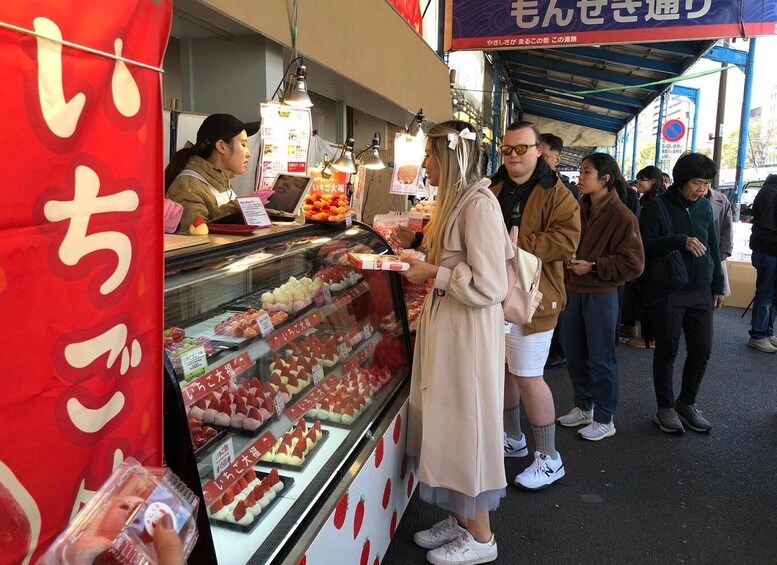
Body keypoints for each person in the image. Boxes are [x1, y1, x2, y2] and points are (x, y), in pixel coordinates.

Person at [403, 120, 512, 564]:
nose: (424, 163)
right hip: (452, 326)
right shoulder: (458, 203)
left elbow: (492, 285)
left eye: (429, 154)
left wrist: (432, 273)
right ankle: (463, 515)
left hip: (468, 332)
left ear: (446, 158)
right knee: (450, 418)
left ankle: (483, 538)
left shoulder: (478, 206)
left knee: (468, 423)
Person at [489, 121, 581, 490]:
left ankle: (549, 458)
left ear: (538, 150)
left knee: (528, 376)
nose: (513, 156)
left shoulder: (558, 194)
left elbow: (565, 242)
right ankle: (514, 438)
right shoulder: (493, 187)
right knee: (506, 373)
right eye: (507, 149)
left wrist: (511, 244)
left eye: (521, 149)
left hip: (537, 299)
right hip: (496, 296)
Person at [557, 153, 644, 441]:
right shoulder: (578, 208)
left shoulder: (622, 216)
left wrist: (594, 266)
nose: (580, 178)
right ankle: (584, 407)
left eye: (586, 172)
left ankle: (606, 418)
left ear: (605, 179)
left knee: (601, 356)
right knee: (574, 352)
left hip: (602, 293)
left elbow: (634, 264)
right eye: (580, 172)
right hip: (573, 289)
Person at [639, 153, 725, 434]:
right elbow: (646, 246)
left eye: (707, 183)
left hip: (700, 290)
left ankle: (686, 403)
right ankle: (664, 408)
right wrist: (680, 241)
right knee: (668, 350)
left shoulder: (705, 208)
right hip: (670, 289)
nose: (702, 189)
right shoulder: (655, 207)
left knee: (702, 350)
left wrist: (717, 284)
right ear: (681, 180)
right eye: (698, 183)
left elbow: (713, 246)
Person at [166, 113, 259, 232]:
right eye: (243, 145)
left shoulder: (222, 180)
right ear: (221, 146)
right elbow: (196, 237)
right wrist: (239, 206)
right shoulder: (188, 186)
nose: (248, 153)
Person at [539, 133, 578, 370]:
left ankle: (557, 350)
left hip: (553, 265)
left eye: (543, 155)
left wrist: (515, 244)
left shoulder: (562, 191)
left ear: (557, 158)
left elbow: (564, 239)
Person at [624, 165, 666, 348]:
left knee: (648, 297)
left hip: (651, 256)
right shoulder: (647, 200)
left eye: (643, 179)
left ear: (653, 182)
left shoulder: (654, 203)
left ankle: (649, 338)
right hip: (648, 254)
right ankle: (643, 333)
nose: (639, 182)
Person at [747, 173, 777, 352]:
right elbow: (765, 226)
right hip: (768, 250)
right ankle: (758, 334)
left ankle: (767, 331)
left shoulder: (770, 190)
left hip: (768, 248)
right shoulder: (770, 193)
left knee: (772, 295)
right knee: (766, 294)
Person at [539, 133, 580, 199]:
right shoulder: (524, 183)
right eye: (534, 156)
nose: (536, 160)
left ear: (557, 160)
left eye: (543, 156)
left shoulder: (568, 191)